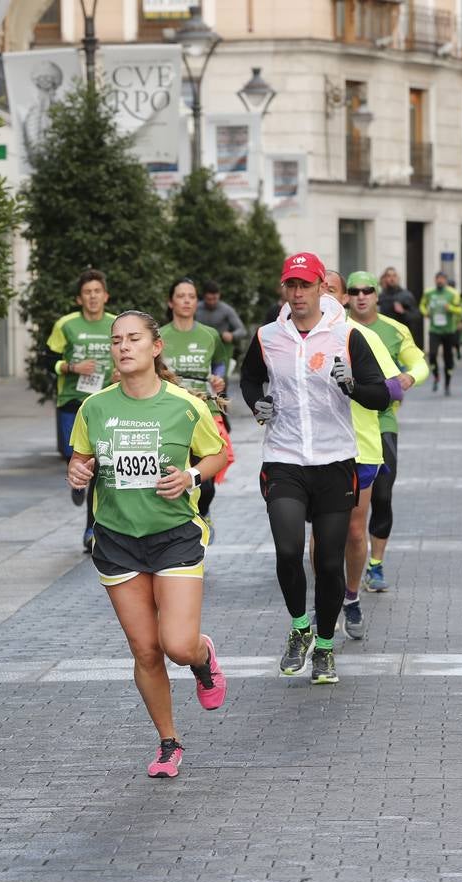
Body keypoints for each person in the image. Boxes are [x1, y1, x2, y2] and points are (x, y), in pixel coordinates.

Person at [66, 310, 228, 779]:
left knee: (176, 644)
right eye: (116, 340)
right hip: (117, 540)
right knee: (145, 651)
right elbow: (81, 461)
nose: (123, 347)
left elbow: (217, 452)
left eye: (133, 338)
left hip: (175, 535)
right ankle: (168, 741)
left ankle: (202, 657)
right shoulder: (94, 408)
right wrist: (78, 472)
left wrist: (191, 475)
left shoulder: (185, 404)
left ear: (156, 347)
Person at [240, 253, 391, 685]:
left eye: (306, 285)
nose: (298, 293)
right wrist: (257, 403)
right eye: (291, 285)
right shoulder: (268, 336)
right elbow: (250, 378)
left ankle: (324, 645)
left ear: (322, 287)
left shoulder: (346, 336)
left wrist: (352, 385)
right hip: (284, 458)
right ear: (283, 289)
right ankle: (299, 628)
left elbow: (380, 396)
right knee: (288, 552)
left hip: (334, 461)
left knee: (328, 564)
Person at [326, 269, 408, 643]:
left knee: (355, 531)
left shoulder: (363, 335)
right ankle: (324, 602)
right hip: (314, 450)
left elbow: (393, 387)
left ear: (342, 298)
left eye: (331, 289)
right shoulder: (290, 337)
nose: (322, 294)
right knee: (322, 535)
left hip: (360, 445)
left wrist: (355, 383)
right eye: (317, 287)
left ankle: (351, 595)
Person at [345, 271, 428, 596]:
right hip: (343, 426)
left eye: (368, 290)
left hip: (382, 423)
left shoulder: (395, 330)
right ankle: (343, 559)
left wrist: (409, 379)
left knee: (381, 495)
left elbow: (420, 362)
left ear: (377, 295)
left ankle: (375, 564)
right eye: (355, 291)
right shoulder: (336, 329)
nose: (361, 296)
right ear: (346, 296)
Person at [44, 269, 114, 552]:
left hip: (105, 404)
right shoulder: (66, 325)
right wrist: (72, 367)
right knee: (75, 458)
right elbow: (48, 360)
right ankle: (75, 480)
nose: (93, 296)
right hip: (73, 402)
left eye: (97, 291)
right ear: (79, 298)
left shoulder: (115, 324)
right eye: (88, 292)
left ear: (106, 296)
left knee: (97, 467)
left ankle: (90, 529)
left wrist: (120, 375)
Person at [159, 278, 231, 539]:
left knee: (207, 479)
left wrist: (218, 379)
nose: (187, 300)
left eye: (191, 296)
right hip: (171, 415)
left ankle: (204, 510)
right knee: (177, 471)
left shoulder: (209, 334)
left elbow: (220, 363)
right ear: (171, 302)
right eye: (181, 296)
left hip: (205, 411)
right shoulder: (160, 337)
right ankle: (184, 523)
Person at [420, 271, 462, 395]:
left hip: (449, 331)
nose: (440, 281)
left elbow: (460, 310)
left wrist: (450, 308)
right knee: (432, 355)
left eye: (442, 279)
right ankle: (436, 376)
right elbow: (422, 305)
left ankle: (447, 383)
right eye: (438, 278)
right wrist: (425, 312)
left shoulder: (453, 293)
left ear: (446, 280)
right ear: (435, 280)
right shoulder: (429, 293)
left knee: (448, 358)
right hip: (434, 330)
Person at [195, 280, 249, 369]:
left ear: (219, 295)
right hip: (200, 348)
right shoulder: (196, 308)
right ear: (204, 297)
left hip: (223, 348)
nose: (212, 302)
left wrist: (232, 335)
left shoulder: (227, 310)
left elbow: (242, 330)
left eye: (214, 299)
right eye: (209, 299)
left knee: (221, 378)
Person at [379, 267, 420, 345]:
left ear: (398, 278)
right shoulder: (381, 296)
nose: (392, 278)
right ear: (385, 279)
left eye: (394, 276)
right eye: (389, 276)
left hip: (402, 338)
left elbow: (416, 317)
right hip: (385, 338)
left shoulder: (406, 295)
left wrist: (403, 312)